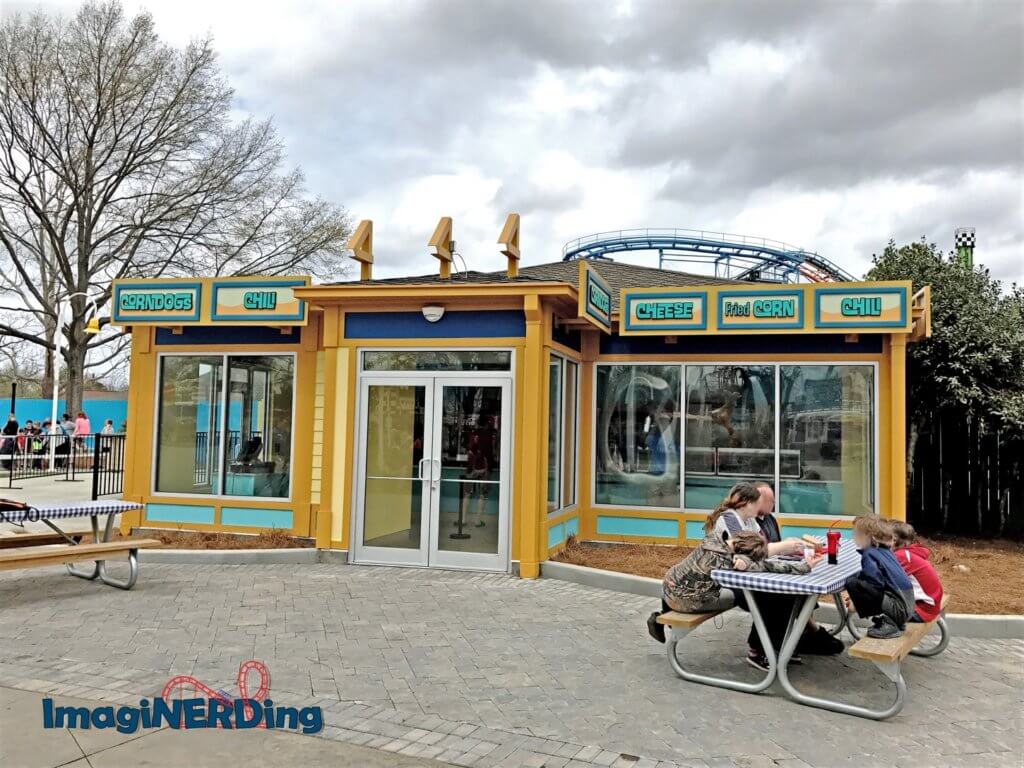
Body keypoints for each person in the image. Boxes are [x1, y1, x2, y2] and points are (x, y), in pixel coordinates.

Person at [648, 530, 823, 649]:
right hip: (687, 600)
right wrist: (804, 567)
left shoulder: (714, 538)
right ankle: (762, 647)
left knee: (737, 591)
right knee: (746, 596)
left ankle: (659, 618)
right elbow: (766, 566)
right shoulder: (726, 561)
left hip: (668, 586)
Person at [703, 483, 809, 670]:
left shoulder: (750, 520)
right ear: (746, 503)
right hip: (727, 581)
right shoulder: (729, 519)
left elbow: (759, 550)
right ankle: (757, 650)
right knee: (771, 597)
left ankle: (778, 645)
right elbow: (748, 550)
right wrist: (783, 547)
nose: (761, 507)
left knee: (788, 593)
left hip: (745, 575)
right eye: (757, 503)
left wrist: (783, 550)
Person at [751, 481, 844, 655]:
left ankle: (803, 633)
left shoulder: (770, 519)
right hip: (757, 574)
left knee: (801, 587)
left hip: (774, 569)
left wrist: (790, 548)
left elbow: (776, 547)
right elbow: (758, 552)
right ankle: (763, 647)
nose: (774, 504)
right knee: (783, 594)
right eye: (770, 500)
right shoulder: (750, 523)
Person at [845, 515, 916, 639]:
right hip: (907, 604)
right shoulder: (885, 551)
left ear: (867, 535)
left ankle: (891, 624)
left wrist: (857, 602)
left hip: (899, 609)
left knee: (852, 582)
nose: (853, 536)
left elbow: (875, 584)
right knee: (859, 579)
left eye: (856, 533)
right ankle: (893, 622)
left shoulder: (869, 553)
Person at [890, 521, 945, 623]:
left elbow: (885, 578)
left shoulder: (902, 556)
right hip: (930, 605)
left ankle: (887, 632)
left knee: (883, 601)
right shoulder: (911, 552)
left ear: (895, 540)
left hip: (922, 610)